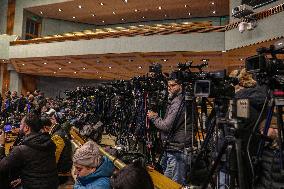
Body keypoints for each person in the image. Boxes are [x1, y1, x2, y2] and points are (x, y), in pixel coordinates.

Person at [147, 75, 195, 185]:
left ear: (181, 86)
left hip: (177, 148)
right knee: (167, 182)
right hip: (173, 147)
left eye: (173, 85)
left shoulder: (178, 102)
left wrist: (154, 117)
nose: (169, 88)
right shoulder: (176, 100)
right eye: (168, 86)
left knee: (175, 183)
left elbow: (166, 126)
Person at [0, 113, 59, 189]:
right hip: (52, 184)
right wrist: (22, 179)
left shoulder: (21, 150)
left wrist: (1, 145)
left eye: (21, 124)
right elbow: (39, 169)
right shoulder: (50, 143)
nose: (19, 127)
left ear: (26, 128)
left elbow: (2, 167)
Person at [41, 116, 73, 185]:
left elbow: (54, 159)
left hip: (61, 173)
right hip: (63, 166)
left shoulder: (57, 136)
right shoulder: (59, 131)